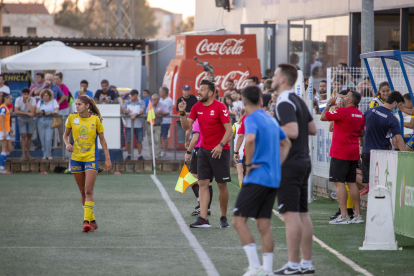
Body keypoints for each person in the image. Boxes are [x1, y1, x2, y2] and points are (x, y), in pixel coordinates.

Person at [232, 85, 291, 276]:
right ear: (260, 99)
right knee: (263, 223)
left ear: (244, 101)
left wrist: (248, 164)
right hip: (273, 178)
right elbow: (286, 143)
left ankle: (255, 267)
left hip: (257, 177)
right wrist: (276, 164)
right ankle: (267, 270)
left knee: (239, 221)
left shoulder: (251, 118)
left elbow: (249, 140)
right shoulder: (270, 118)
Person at [271, 64, 317, 275]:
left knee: (290, 215)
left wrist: (268, 127)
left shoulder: (284, 100)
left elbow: (293, 130)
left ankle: (293, 265)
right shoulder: (298, 100)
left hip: (289, 163)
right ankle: (305, 264)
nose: (272, 77)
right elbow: (312, 129)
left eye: (275, 75)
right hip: (303, 161)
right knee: (302, 213)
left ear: (282, 80)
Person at [179, 79, 233, 228]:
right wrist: (182, 112)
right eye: (199, 89)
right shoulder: (197, 107)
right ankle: (203, 219)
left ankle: (223, 217)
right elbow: (185, 127)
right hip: (203, 150)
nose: (199, 91)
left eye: (202, 89)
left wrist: (221, 145)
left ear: (210, 93)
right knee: (202, 183)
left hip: (221, 151)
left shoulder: (220, 107)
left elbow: (230, 130)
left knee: (222, 185)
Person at [63, 95, 112, 233]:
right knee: (82, 191)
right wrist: (67, 144)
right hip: (76, 158)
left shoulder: (95, 119)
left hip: (91, 158)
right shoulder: (72, 118)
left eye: (79, 104)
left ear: (87, 106)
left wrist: (107, 159)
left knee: (88, 190)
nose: (76, 106)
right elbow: (65, 135)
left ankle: (86, 222)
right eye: (76, 104)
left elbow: (103, 140)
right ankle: (92, 220)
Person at [321, 91, 365, 224]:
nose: (343, 98)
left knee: (339, 183)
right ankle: (357, 215)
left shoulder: (342, 112)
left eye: (346, 96)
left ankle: (344, 215)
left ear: (350, 100)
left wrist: (329, 104)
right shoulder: (360, 114)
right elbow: (361, 132)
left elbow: (323, 117)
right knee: (351, 183)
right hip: (353, 152)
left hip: (340, 152)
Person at [361, 91, 406, 195]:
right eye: (399, 105)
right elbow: (398, 139)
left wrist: (361, 144)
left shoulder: (370, 111)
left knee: (370, 184)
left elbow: (361, 129)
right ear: (394, 103)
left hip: (366, 152)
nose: (398, 109)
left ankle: (369, 208)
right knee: (379, 184)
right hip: (381, 154)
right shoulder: (392, 119)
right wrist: (404, 154)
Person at [185, 118, 213, 216]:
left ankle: (203, 206)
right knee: (206, 180)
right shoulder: (207, 118)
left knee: (191, 178)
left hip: (199, 150)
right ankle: (205, 207)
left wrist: (188, 151)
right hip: (209, 149)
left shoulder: (197, 120)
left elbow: (194, 137)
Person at [36, 89, 59, 160]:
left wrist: (49, 113)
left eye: (47, 95)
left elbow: (56, 110)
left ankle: (48, 154)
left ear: (49, 96)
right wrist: (41, 112)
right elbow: (36, 111)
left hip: (50, 121)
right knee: (42, 139)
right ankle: (44, 154)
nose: (45, 97)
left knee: (48, 139)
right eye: (44, 96)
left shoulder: (54, 101)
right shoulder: (40, 102)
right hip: (41, 121)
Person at [123, 89, 145, 160]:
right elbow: (123, 110)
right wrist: (126, 111)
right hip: (129, 125)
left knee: (139, 140)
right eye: (130, 95)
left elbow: (142, 111)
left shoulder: (141, 102)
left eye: (132, 95)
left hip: (139, 125)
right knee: (128, 140)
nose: (131, 96)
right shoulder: (127, 102)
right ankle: (129, 154)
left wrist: (136, 114)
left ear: (136, 95)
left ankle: (140, 155)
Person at [14, 88, 36, 160]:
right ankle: (23, 154)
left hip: (31, 120)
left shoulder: (33, 100)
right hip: (22, 119)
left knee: (29, 136)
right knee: (23, 135)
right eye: (24, 94)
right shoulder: (18, 100)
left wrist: (27, 102)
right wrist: (27, 113)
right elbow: (16, 111)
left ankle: (28, 154)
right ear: (22, 94)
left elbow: (33, 112)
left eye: (27, 94)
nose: (26, 96)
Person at [146, 94, 169, 159]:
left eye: (155, 99)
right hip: (149, 124)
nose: (154, 100)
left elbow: (167, 112)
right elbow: (147, 112)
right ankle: (152, 155)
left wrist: (161, 112)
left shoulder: (162, 105)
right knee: (150, 141)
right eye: (153, 99)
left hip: (157, 125)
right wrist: (155, 113)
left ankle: (158, 155)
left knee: (157, 140)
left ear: (158, 99)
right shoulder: (150, 104)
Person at [54, 72, 70, 147]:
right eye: (55, 79)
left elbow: (66, 97)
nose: (55, 80)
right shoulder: (53, 86)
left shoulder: (64, 87)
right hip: (55, 109)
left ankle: (62, 144)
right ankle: (58, 142)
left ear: (61, 79)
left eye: (57, 79)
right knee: (57, 127)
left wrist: (59, 98)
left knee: (61, 127)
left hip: (63, 108)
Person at [233, 109, 246, 188]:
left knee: (240, 173)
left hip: (240, 152)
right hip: (250, 151)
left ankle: (243, 190)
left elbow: (229, 136)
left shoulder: (235, 125)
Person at [0, 93, 13, 174]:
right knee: (4, 149)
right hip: (2, 131)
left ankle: (2, 159)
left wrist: (9, 128)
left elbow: (5, 121)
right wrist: (4, 132)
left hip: (6, 131)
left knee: (10, 149)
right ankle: (1, 168)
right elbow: (1, 120)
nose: (11, 101)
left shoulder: (6, 108)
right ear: (5, 99)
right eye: (10, 99)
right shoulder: (3, 108)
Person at [159, 87, 173, 158]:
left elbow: (162, 109)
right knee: (158, 137)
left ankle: (164, 151)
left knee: (164, 137)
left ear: (164, 92)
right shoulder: (160, 99)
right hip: (159, 121)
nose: (159, 93)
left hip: (166, 122)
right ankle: (159, 150)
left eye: (160, 92)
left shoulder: (169, 100)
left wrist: (159, 111)